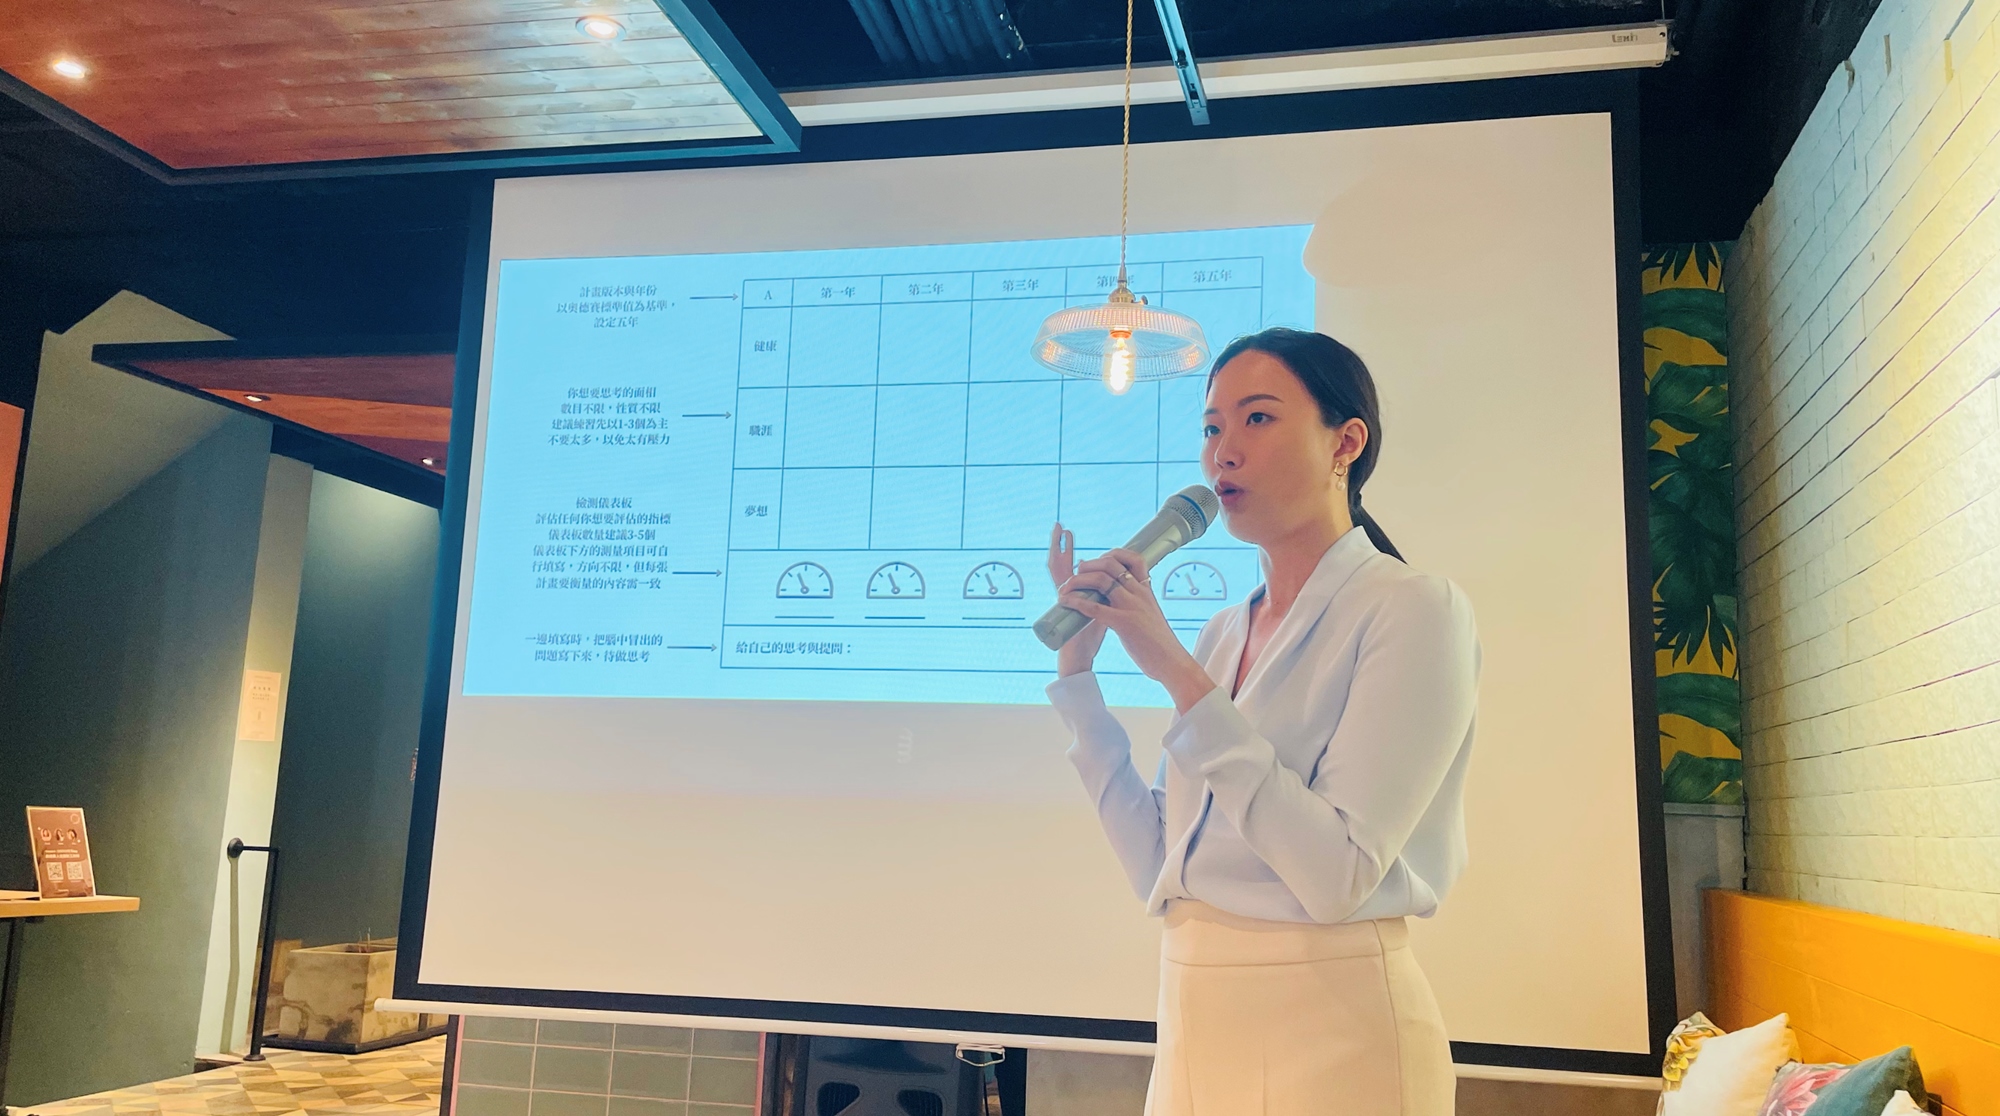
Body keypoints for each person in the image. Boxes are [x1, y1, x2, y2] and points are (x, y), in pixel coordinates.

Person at [1044, 327, 1479, 1116]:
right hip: (1193, 1023)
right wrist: (1080, 683)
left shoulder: (1413, 608)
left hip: (1335, 1030)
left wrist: (1179, 676)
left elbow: (1337, 877)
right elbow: (1159, 867)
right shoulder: (1223, 631)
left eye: (1258, 418)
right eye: (1212, 427)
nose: (1224, 452)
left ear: (1346, 442)